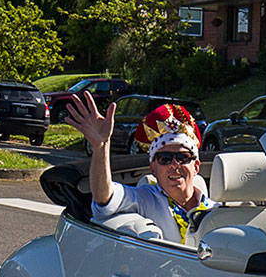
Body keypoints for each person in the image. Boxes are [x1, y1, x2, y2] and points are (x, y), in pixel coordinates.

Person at [65, 91, 214, 244]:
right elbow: (105, 198)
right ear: (153, 168)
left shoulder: (218, 211)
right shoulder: (145, 199)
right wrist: (101, 146)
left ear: (196, 166)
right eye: (165, 159)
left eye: (183, 158)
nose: (174, 165)